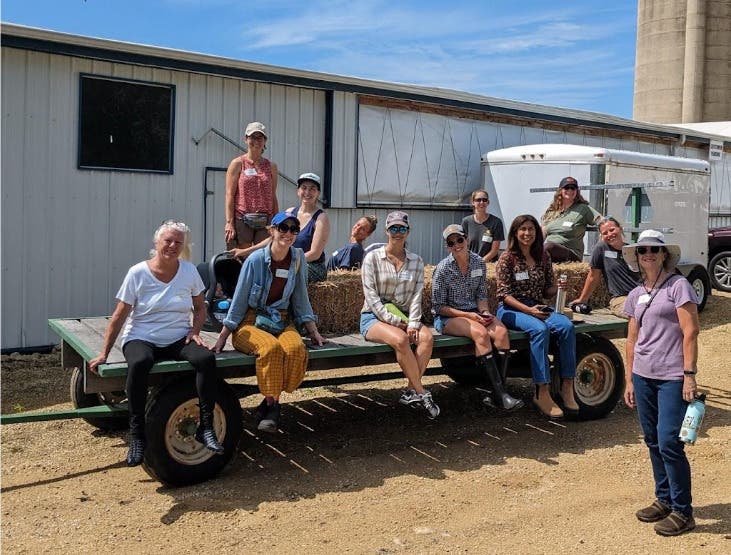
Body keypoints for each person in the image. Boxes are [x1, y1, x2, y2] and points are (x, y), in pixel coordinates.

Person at [89, 220, 224, 467]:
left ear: (183, 246)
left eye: (178, 242)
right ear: (156, 243)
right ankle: (137, 435)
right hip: (142, 336)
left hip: (177, 336)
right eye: (168, 241)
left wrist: (194, 331)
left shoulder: (188, 271)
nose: (172, 246)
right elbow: (120, 314)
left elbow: (200, 307)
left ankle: (206, 427)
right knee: (140, 363)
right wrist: (104, 353)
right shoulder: (138, 273)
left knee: (205, 360)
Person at [213, 212, 325, 432]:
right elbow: (239, 299)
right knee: (270, 348)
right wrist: (223, 336)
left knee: (295, 349)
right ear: (272, 231)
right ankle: (273, 407)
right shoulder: (255, 260)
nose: (288, 233)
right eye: (283, 228)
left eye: (294, 229)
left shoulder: (297, 259)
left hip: (280, 319)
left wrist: (313, 331)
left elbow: (301, 297)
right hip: (251, 320)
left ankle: (268, 400)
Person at [622, 229, 700, 537]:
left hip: (671, 376)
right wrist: (628, 379)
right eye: (642, 250)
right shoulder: (636, 292)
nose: (648, 254)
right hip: (643, 375)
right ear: (637, 257)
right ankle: (664, 499)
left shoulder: (678, 286)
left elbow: (691, 331)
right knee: (652, 440)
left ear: (664, 254)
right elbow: (631, 338)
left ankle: (683, 510)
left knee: (669, 441)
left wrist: (689, 374)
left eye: (654, 249)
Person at [495, 214, 579, 419]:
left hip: (537, 306)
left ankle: (567, 385)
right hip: (511, 309)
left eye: (531, 229)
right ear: (515, 233)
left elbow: (547, 290)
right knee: (539, 329)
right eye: (522, 229)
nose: (527, 233)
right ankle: (542, 390)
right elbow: (503, 295)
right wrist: (529, 311)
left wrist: (558, 288)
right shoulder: (507, 258)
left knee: (567, 326)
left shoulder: (543, 256)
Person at [432, 224, 523, 411]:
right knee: (481, 334)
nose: (456, 245)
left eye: (459, 240)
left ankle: (495, 391)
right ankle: (501, 394)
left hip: (475, 312)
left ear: (467, 240)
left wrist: (485, 312)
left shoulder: (479, 263)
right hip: (449, 317)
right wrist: (469, 315)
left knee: (501, 333)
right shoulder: (442, 269)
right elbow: (439, 307)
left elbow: (481, 296)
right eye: (451, 242)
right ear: (447, 246)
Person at [360, 211, 440, 419]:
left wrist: (413, 322)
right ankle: (422, 392)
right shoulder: (372, 258)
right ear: (386, 231)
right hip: (374, 317)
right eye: (393, 228)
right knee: (401, 339)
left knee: (427, 338)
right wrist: (397, 323)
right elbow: (371, 298)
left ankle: (410, 390)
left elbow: (416, 295)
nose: (397, 232)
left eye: (402, 228)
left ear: (408, 231)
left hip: (405, 316)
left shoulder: (416, 261)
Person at [230, 172, 330, 283]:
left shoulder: (321, 218)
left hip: (311, 266)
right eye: (304, 188)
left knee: (284, 273)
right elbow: (273, 239)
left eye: (312, 189)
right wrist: (245, 251)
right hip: (287, 262)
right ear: (298, 191)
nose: (307, 192)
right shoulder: (290, 212)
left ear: (318, 193)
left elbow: (314, 254)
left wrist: (287, 262)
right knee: (260, 268)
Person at [570, 216, 640, 317]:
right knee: (638, 312)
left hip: (640, 296)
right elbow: (593, 276)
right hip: (620, 299)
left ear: (620, 228)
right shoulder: (601, 248)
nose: (610, 234)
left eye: (612, 230)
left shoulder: (633, 250)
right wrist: (583, 299)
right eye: (605, 233)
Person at [224, 121, 279, 250]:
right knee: (242, 256)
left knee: (262, 256)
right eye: (252, 137)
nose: (256, 141)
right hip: (242, 218)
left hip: (265, 220)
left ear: (265, 140)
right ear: (246, 139)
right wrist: (229, 223)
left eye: (260, 137)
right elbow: (229, 195)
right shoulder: (238, 163)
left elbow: (273, 195)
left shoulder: (271, 166)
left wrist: (276, 222)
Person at [541, 176, 601, 263]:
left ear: (577, 191)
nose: (570, 190)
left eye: (573, 188)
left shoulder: (583, 209)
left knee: (549, 247)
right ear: (560, 190)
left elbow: (601, 221)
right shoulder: (552, 211)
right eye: (566, 187)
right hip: (550, 254)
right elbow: (542, 233)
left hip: (571, 254)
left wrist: (602, 240)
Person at [461, 190, 505, 263]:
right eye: (478, 200)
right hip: (469, 263)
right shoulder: (466, 222)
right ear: (473, 202)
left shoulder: (496, 222)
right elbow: (463, 245)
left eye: (484, 200)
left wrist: (480, 262)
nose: (482, 202)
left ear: (488, 202)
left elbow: (495, 250)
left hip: (488, 264)